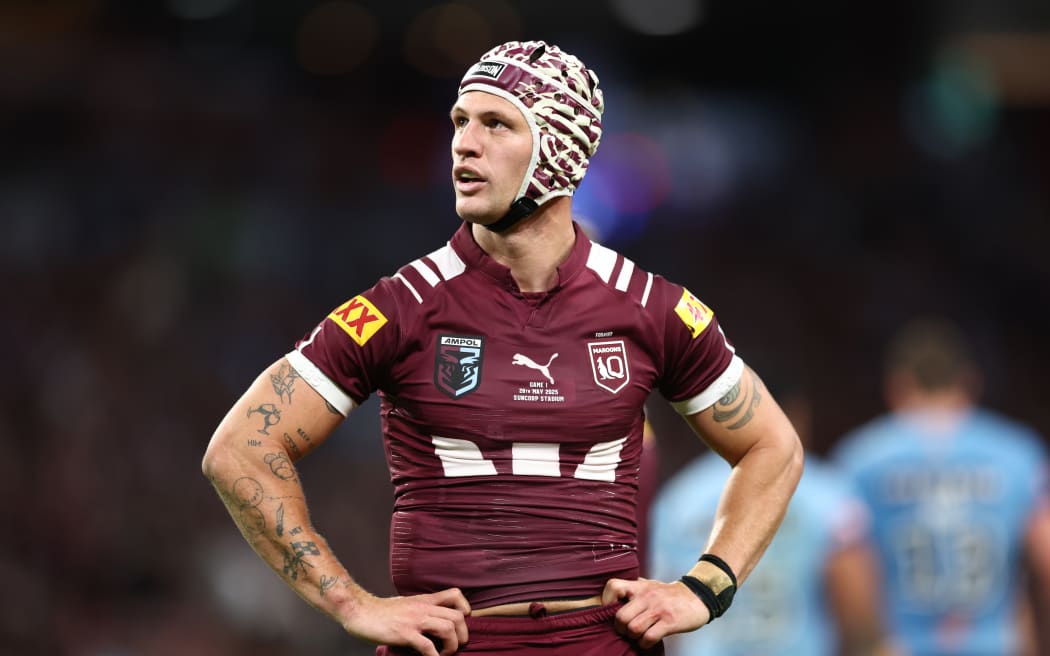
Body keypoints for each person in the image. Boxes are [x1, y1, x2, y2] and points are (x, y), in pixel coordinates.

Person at [202, 40, 804, 656]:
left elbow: (771, 447)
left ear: (560, 145)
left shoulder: (651, 307)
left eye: (496, 124)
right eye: (460, 122)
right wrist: (349, 602)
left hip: (599, 643)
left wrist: (705, 588)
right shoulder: (400, 307)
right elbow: (240, 449)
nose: (464, 142)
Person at [832, 317, 1050, 656]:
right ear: (970, 382)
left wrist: (869, 645)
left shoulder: (862, 458)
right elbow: (1045, 556)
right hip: (996, 644)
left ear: (897, 386)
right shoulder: (1017, 453)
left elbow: (849, 574)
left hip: (902, 646)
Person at [649, 379, 895, 656]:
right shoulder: (826, 495)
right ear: (794, 414)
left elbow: (663, 608)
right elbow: (855, 603)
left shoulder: (682, 497)